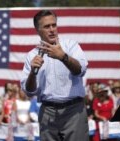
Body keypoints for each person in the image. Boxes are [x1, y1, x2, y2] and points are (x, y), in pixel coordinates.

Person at [20, 10, 89, 141]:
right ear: (37, 29)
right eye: (47, 26)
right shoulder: (31, 55)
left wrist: (63, 57)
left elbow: (81, 70)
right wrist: (32, 73)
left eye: (54, 25)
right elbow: (29, 91)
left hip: (74, 110)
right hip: (48, 111)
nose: (52, 29)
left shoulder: (71, 46)